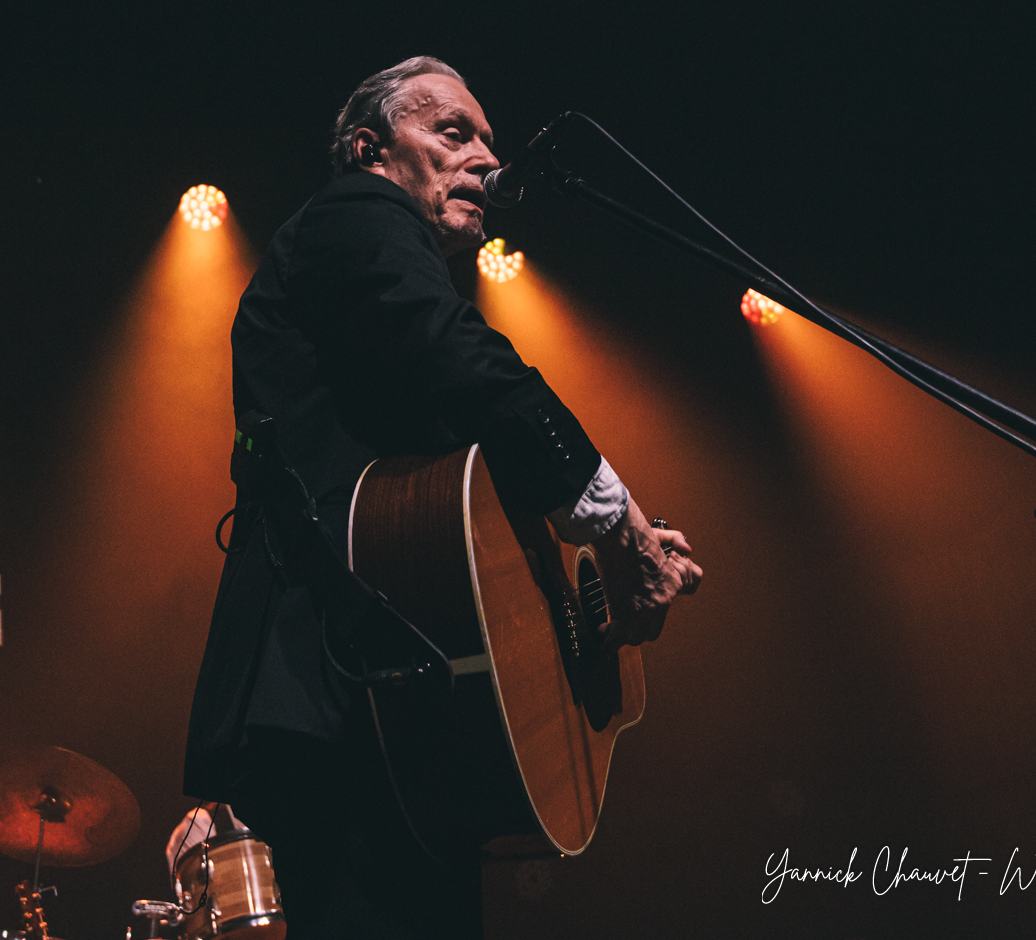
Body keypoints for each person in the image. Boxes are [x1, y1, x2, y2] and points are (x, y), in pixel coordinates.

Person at [183, 56, 702, 938]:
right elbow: (457, 354)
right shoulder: (358, 213)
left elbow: (455, 504)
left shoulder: (392, 269)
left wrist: (572, 578)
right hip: (335, 687)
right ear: (369, 149)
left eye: (488, 141)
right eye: (452, 132)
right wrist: (616, 525)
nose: (481, 158)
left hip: (400, 699)